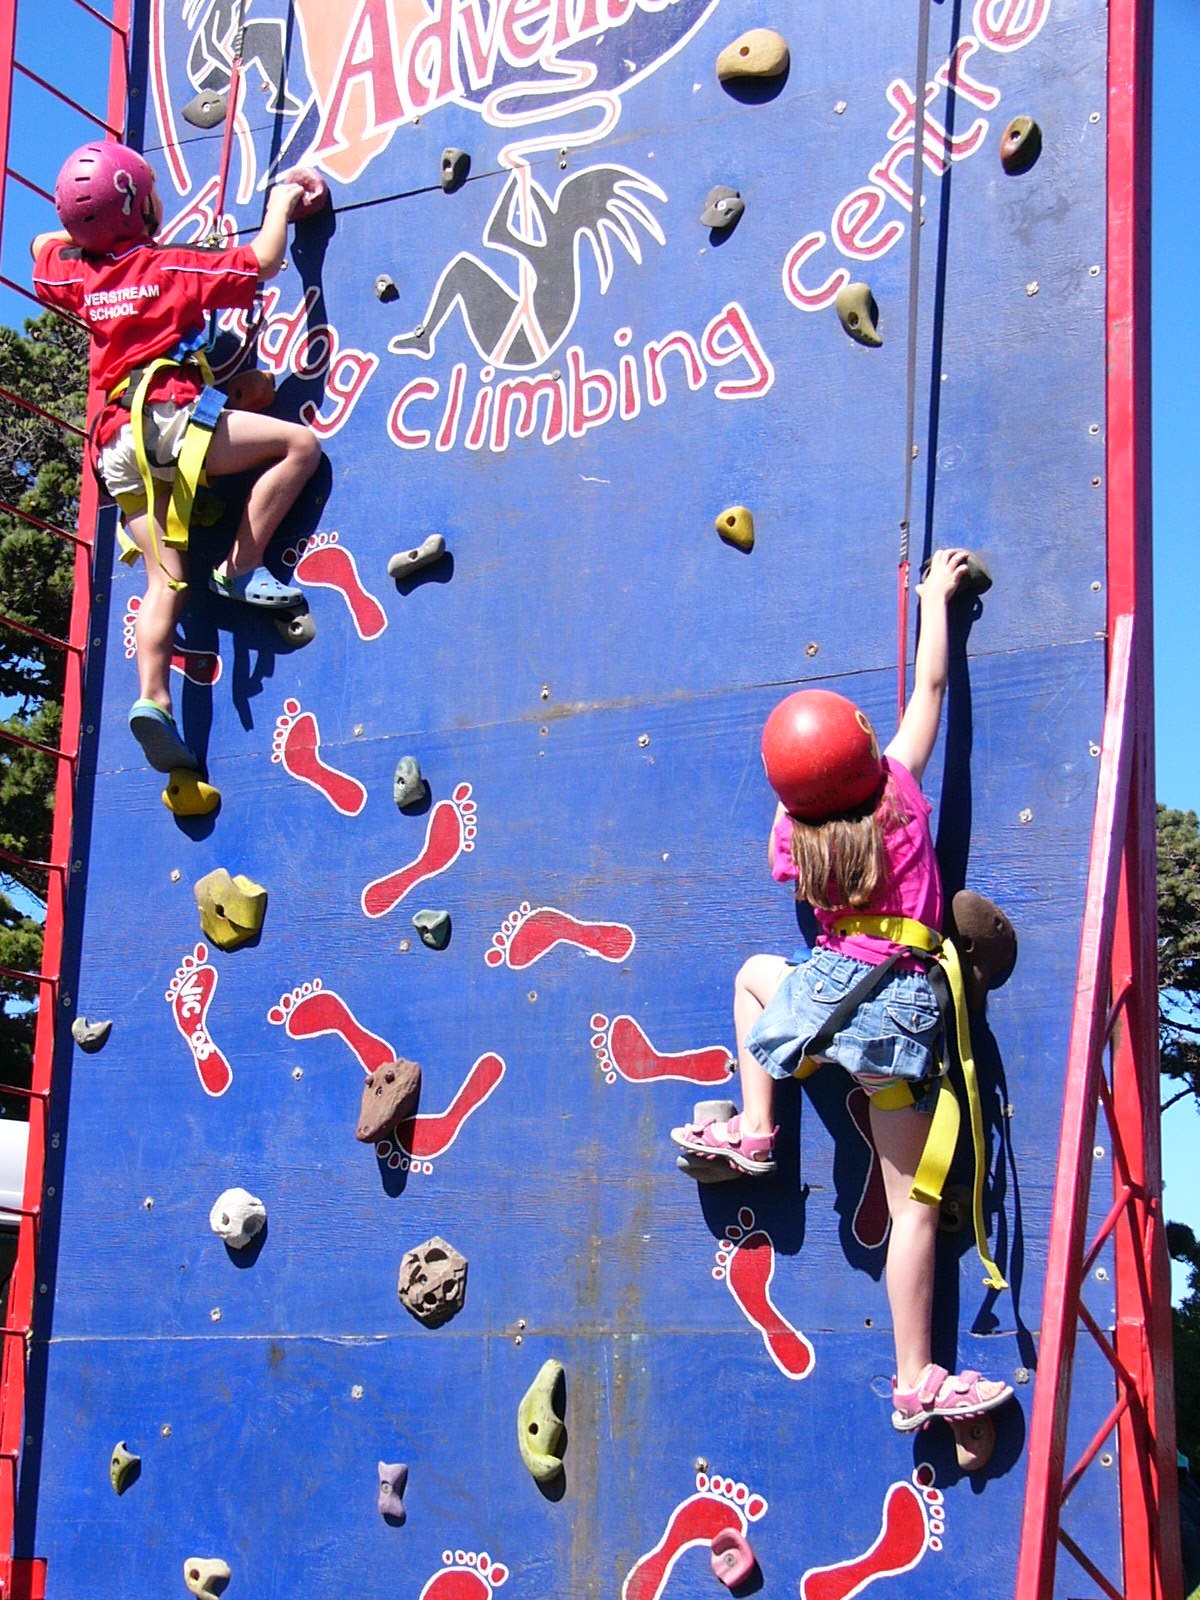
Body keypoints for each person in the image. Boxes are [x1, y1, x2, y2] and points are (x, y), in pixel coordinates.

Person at [672, 548, 1013, 1434]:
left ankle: (756, 1130)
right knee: (915, 1207)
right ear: (865, 750)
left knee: (753, 979)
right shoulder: (896, 793)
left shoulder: (796, 842)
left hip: (827, 997)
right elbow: (931, 694)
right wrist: (937, 598)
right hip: (898, 1014)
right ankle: (915, 1377)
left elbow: (795, 823)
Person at [30, 140, 323, 772]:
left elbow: (39, 251)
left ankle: (153, 699)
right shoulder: (170, 268)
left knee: (166, 577)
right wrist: (281, 201)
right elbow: (265, 261)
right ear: (139, 206)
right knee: (299, 446)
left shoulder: (78, 275)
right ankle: (242, 565)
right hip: (169, 421)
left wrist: (86, 229)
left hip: (115, 449)